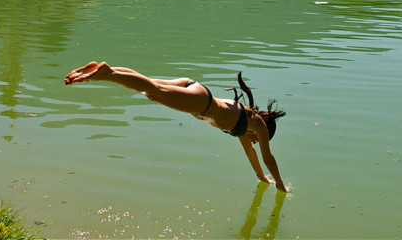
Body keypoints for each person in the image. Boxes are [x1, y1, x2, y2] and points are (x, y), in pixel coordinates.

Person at [64, 62, 288, 191]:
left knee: (151, 85)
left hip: (195, 88)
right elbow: (267, 157)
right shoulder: (257, 124)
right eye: (259, 139)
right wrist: (280, 183)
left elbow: (251, 154)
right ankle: (107, 74)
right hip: (202, 102)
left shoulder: (244, 125)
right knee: (153, 92)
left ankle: (108, 69)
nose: (256, 142)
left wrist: (261, 177)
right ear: (265, 129)